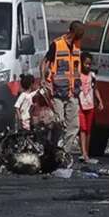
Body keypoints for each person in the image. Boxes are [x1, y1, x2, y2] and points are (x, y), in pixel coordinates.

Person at [41, 21, 85, 158]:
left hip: (73, 92)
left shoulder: (78, 45)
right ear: (72, 33)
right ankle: (53, 149)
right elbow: (45, 62)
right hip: (57, 91)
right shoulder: (57, 44)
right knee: (58, 124)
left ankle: (64, 154)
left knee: (74, 125)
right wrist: (43, 78)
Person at [78, 51, 103, 163]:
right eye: (85, 63)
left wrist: (100, 101)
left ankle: (86, 151)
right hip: (80, 105)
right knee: (82, 129)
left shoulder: (92, 76)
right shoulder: (78, 75)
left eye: (89, 64)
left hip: (90, 105)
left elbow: (95, 89)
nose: (87, 66)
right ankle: (83, 152)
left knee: (88, 130)